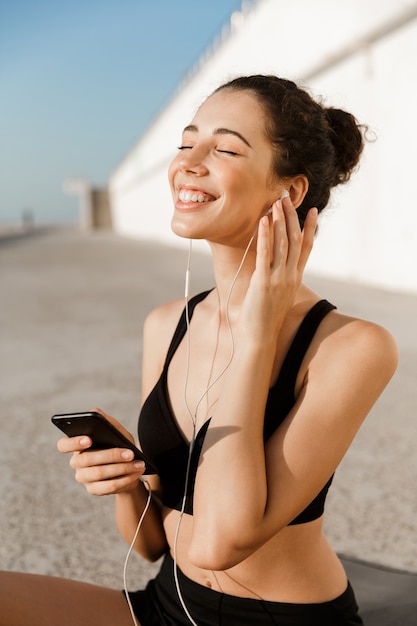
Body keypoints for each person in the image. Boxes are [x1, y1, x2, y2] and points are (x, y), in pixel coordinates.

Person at [0, 75, 398, 625]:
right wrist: (126, 485)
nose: (189, 162)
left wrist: (256, 334)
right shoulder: (167, 325)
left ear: (290, 192)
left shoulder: (352, 346)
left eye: (225, 148)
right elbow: (153, 544)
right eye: (187, 143)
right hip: (167, 602)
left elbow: (220, 543)